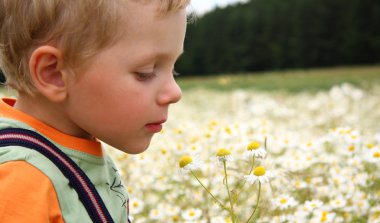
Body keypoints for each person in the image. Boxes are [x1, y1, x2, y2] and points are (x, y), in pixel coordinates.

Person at [0, 0, 189, 222]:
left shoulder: (71, 148)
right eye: (145, 72)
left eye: (173, 68)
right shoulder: (21, 182)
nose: (174, 93)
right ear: (54, 73)